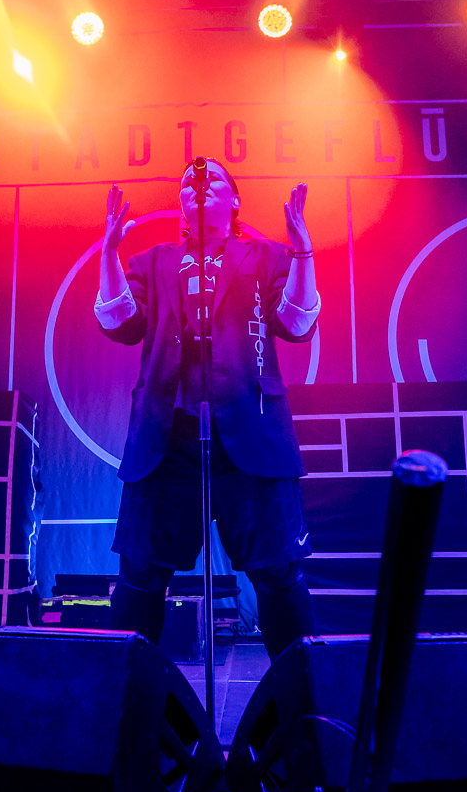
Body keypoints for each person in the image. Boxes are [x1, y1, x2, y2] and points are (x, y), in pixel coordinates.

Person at [94, 161, 321, 661]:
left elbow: (296, 323)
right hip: (167, 440)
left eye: (213, 179)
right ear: (181, 204)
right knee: (140, 572)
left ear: (235, 201)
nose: (199, 185)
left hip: (250, 433)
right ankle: (126, 701)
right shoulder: (154, 262)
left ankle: (302, 700)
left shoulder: (265, 255)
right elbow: (119, 322)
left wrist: (303, 252)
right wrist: (109, 254)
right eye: (188, 184)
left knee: (277, 571)